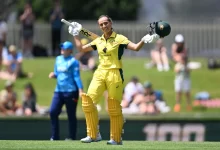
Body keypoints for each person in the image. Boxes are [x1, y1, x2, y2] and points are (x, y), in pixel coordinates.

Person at [68, 15, 160, 145]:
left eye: (106, 23)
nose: (104, 26)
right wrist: (76, 35)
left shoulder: (119, 38)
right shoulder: (98, 40)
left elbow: (135, 48)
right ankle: (93, 135)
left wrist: (144, 40)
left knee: (113, 106)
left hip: (115, 73)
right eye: (101, 24)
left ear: (111, 23)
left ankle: (116, 138)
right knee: (87, 101)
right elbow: (81, 49)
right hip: (100, 73)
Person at [48, 41, 83, 140]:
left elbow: (76, 77)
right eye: (61, 48)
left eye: (64, 48)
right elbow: (57, 72)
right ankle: (54, 136)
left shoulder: (73, 62)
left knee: (71, 115)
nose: (62, 50)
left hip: (71, 92)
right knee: (53, 112)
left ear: (70, 50)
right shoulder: (58, 59)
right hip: (58, 91)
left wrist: (80, 90)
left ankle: (71, 137)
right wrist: (53, 75)